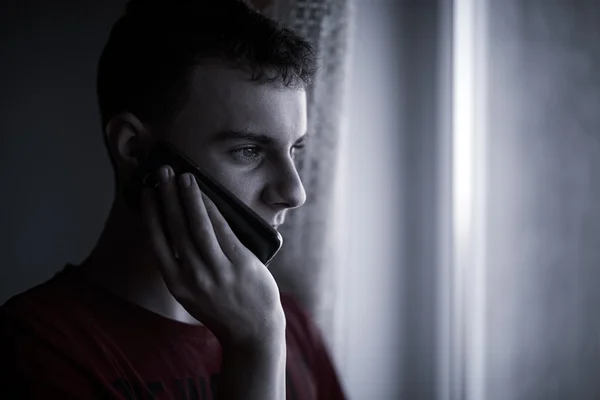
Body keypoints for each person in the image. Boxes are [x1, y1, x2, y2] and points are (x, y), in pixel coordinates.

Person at [0, 0, 347, 399]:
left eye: (295, 150)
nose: (294, 192)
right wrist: (255, 352)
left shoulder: (286, 321)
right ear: (134, 150)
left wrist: (267, 333)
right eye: (249, 151)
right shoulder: (38, 348)